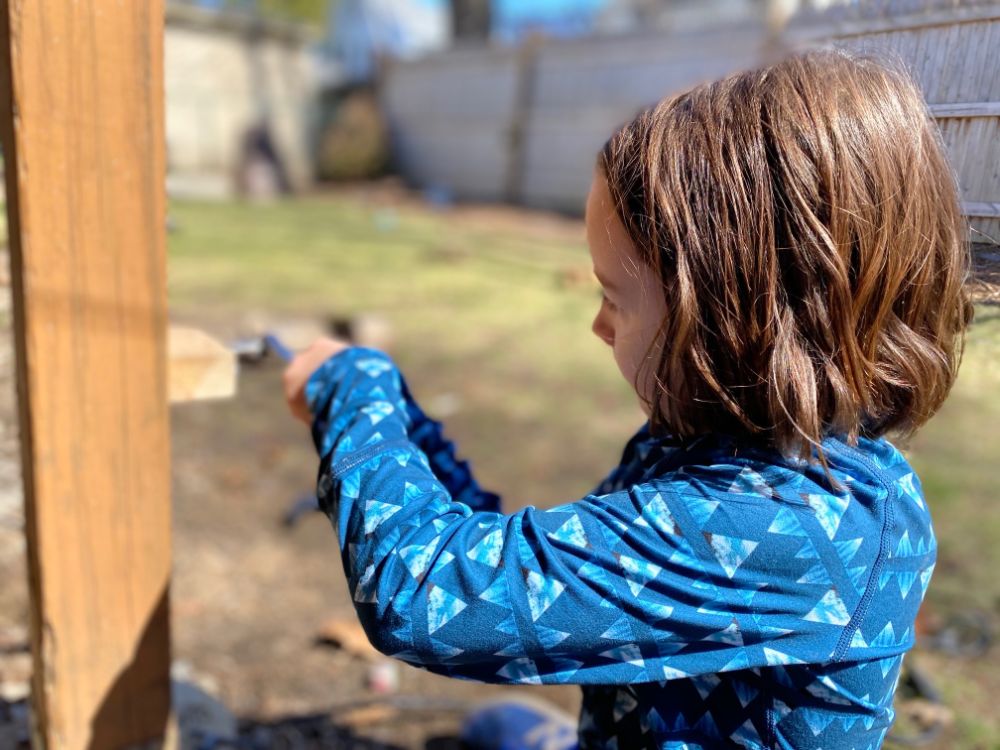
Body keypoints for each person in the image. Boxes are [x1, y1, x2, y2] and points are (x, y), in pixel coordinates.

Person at [282, 49, 972, 749]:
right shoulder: (722, 447)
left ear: (734, 316)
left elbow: (431, 599)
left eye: (615, 297)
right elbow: (523, 578)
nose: (599, 324)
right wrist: (405, 426)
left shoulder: (786, 526)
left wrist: (354, 392)